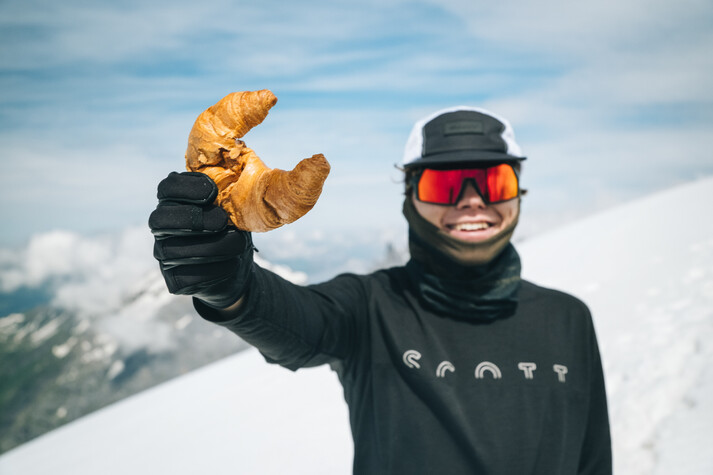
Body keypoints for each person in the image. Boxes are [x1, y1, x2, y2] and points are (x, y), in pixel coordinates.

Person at [149, 106, 612, 474]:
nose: (472, 200)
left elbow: (593, 462)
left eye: (495, 181)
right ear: (410, 196)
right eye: (445, 184)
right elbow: (295, 320)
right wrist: (230, 285)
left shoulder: (568, 319)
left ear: (518, 193)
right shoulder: (371, 307)